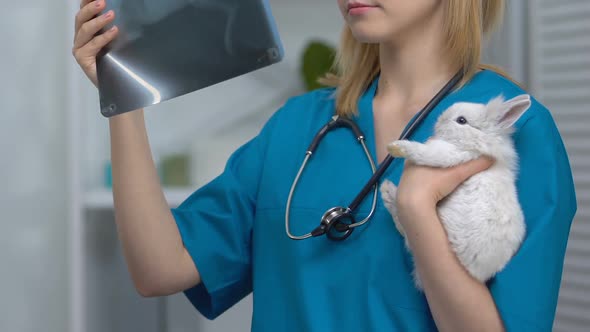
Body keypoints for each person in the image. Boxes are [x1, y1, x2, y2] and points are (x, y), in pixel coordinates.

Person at [72, 0, 577, 331]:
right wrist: (124, 99)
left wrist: (419, 212)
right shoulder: (299, 125)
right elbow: (160, 268)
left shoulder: (510, 129)